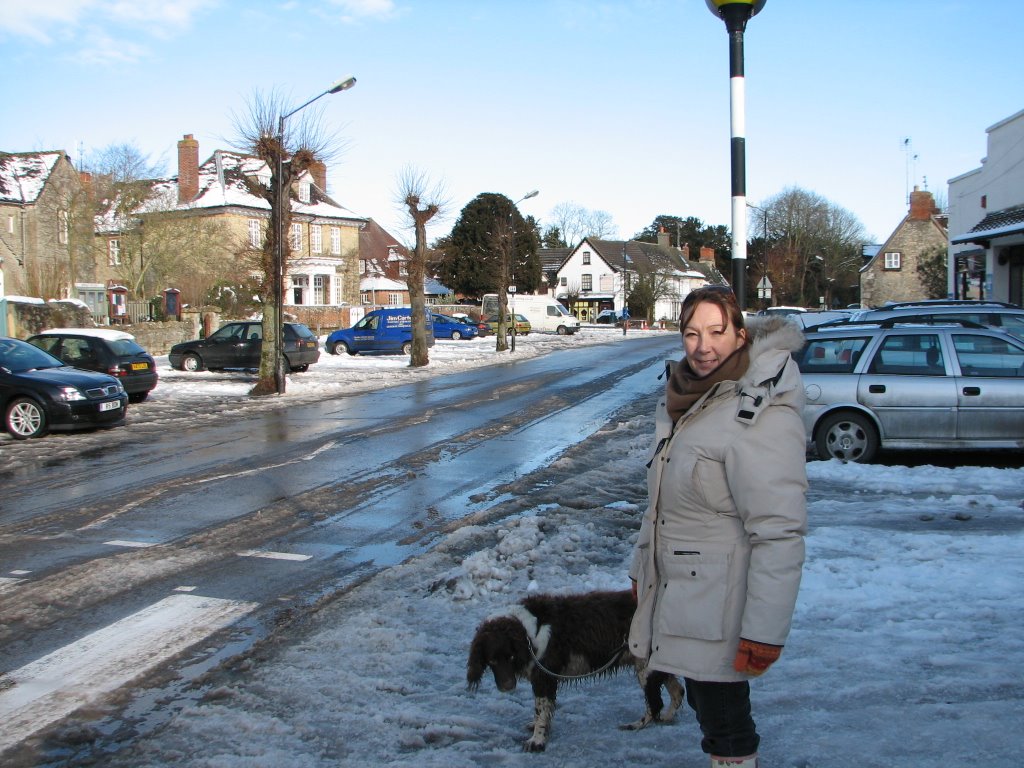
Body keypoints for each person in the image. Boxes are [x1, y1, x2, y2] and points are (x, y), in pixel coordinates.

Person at [628, 286, 808, 768]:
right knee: (712, 718)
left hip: (723, 605)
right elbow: (662, 505)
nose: (702, 346)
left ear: (740, 335)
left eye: (715, 331)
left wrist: (764, 631)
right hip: (684, 594)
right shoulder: (688, 401)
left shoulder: (760, 414)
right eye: (691, 333)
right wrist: (640, 569)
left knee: (726, 725)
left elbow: (779, 532)